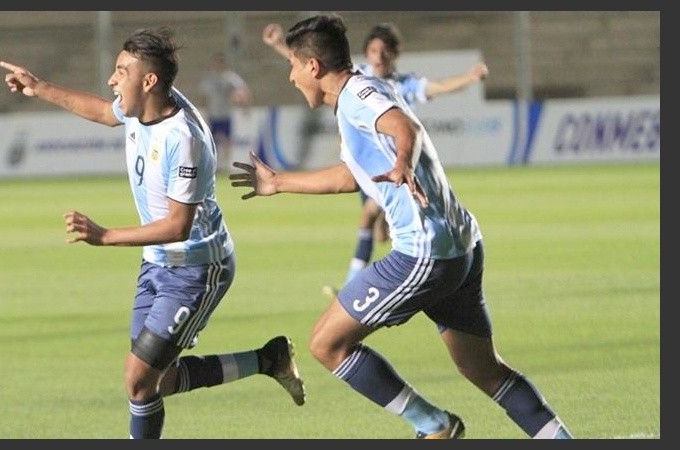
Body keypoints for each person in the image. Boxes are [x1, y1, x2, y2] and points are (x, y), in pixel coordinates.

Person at [233, 14, 572, 439]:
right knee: (485, 371)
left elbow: (403, 126)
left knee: (326, 344)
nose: (291, 76)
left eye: (294, 66)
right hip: (461, 245)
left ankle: (435, 425)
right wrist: (279, 182)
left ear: (313, 68)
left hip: (423, 253)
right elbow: (350, 175)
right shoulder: (357, 96)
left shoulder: (360, 96)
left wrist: (402, 163)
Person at [0, 27, 304, 440]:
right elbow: (105, 113)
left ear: (149, 81)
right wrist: (40, 87)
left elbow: (178, 226)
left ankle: (269, 361)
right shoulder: (139, 107)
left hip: (198, 267)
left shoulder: (184, 139)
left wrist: (105, 236)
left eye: (121, 70)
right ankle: (269, 359)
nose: (112, 79)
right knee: (153, 383)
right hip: (158, 263)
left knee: (138, 379)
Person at [263, 22, 489, 293]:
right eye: (373, 50)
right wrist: (277, 182)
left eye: (384, 51)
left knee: (328, 336)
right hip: (407, 197)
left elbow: (413, 119)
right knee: (377, 227)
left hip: (415, 223)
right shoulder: (358, 80)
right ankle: (357, 279)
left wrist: (471, 78)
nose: (378, 56)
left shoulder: (365, 90)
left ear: (394, 54)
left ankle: (350, 286)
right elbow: (308, 59)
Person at [198, 51, 252, 173]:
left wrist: (245, 107)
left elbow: (243, 92)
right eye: (218, 62)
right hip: (213, 114)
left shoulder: (230, 78)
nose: (219, 64)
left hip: (226, 114)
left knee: (227, 141)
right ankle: (213, 165)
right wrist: (202, 112)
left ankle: (227, 164)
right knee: (212, 141)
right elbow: (203, 97)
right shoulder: (209, 79)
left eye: (222, 62)